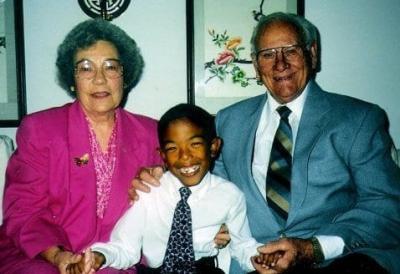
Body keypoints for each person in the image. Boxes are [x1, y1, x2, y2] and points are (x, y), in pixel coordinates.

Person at [132, 12, 400, 274]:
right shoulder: (229, 120)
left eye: (291, 50)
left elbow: (385, 206)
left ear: (312, 53)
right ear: (256, 66)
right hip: (252, 262)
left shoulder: (359, 120)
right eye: (268, 54)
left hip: (335, 261)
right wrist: (160, 184)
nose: (280, 64)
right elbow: (205, 186)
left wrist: (312, 248)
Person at [0, 18, 163, 274]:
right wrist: (59, 256)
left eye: (111, 67)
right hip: (43, 256)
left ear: (125, 76)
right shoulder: (40, 130)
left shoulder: (153, 134)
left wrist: (160, 190)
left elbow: (182, 199)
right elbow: (23, 210)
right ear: (72, 80)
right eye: (86, 68)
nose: (99, 79)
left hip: (115, 258)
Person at [82, 103, 272, 274]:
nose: (185, 157)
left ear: (213, 147)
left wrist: (260, 258)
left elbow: (243, 246)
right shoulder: (150, 192)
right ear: (162, 155)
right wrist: (100, 256)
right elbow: (124, 246)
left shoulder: (230, 196)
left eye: (195, 145)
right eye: (173, 148)